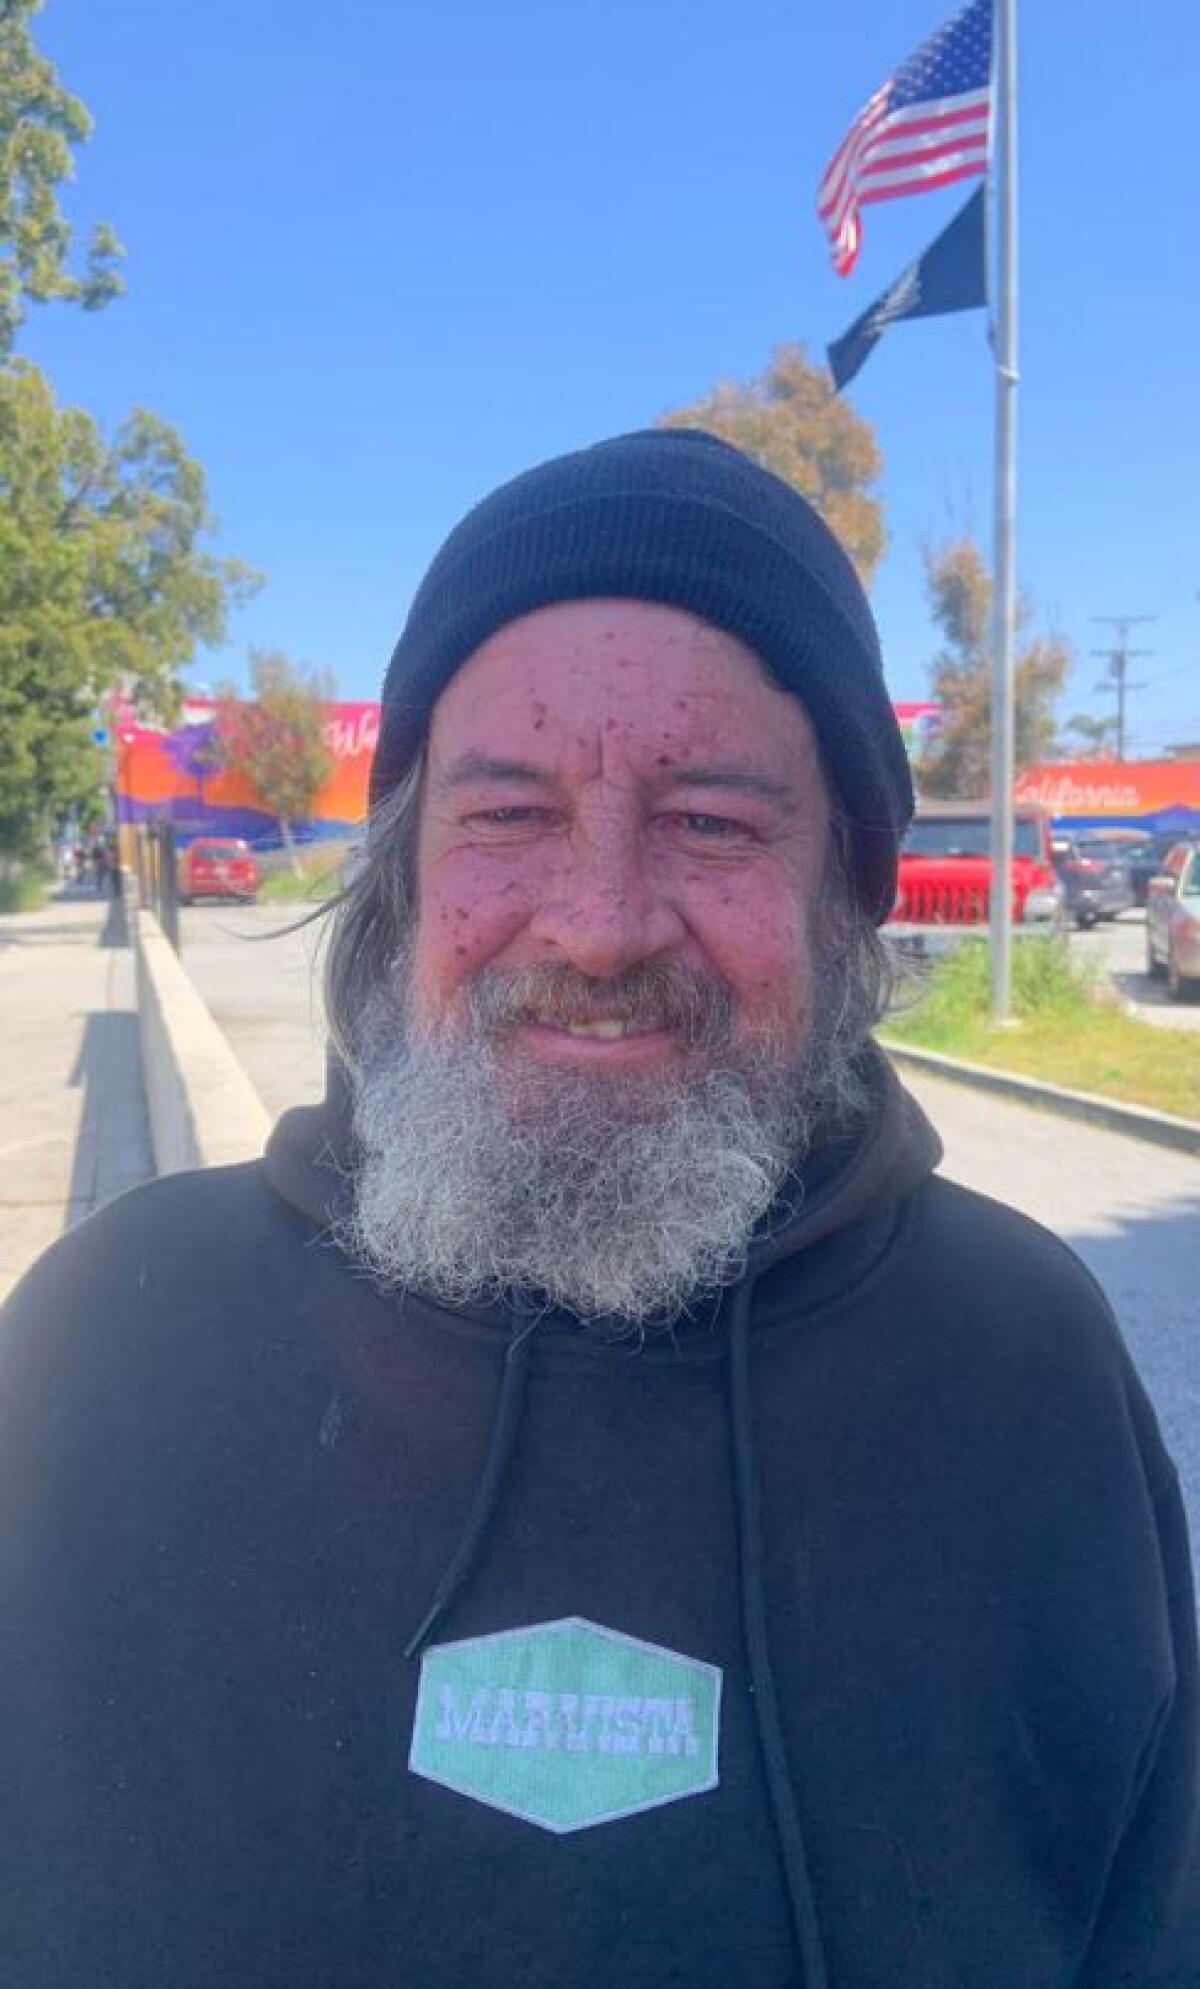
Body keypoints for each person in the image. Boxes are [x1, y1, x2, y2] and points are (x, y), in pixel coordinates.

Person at [1, 429, 1196, 1989]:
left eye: (711, 820)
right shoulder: (108, 1345)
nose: (604, 924)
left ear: (846, 888)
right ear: (405, 878)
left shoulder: (1023, 1361)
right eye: (508, 814)